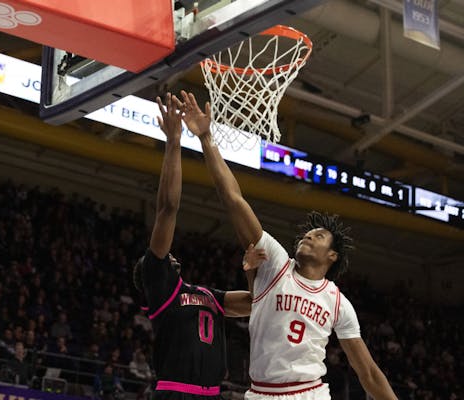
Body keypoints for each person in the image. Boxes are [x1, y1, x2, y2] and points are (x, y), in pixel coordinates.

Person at [179, 90, 398, 400]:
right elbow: (233, 199)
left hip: (308, 393)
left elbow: (368, 372)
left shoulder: (338, 302)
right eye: (307, 233)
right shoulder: (276, 263)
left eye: (318, 236)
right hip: (261, 393)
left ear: (332, 255)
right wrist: (206, 138)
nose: (308, 236)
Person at [133, 93, 260, 399]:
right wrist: (174, 141)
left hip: (212, 394)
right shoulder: (161, 289)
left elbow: (257, 301)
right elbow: (168, 208)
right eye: (161, 258)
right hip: (175, 392)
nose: (169, 255)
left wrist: (250, 270)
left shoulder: (206, 295)